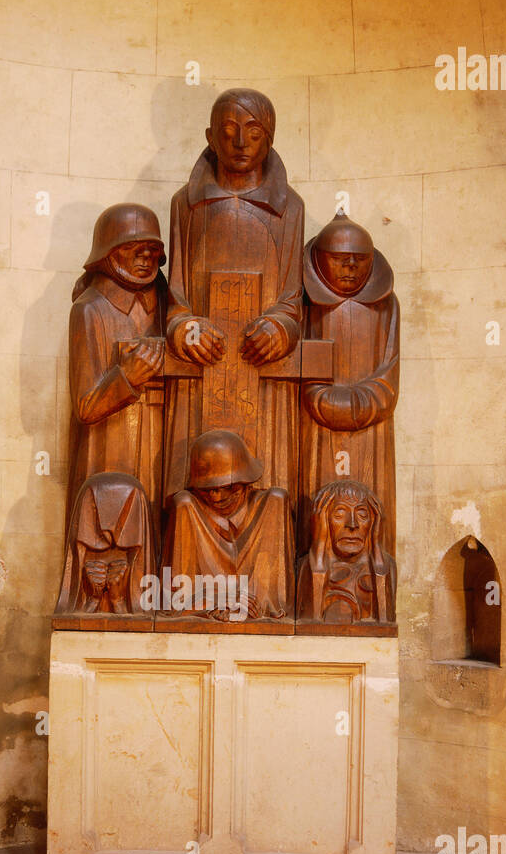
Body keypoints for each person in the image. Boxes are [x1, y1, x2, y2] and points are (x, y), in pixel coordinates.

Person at [163, 89, 304, 500]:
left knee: (268, 491)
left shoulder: (289, 208)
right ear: (210, 137)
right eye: (228, 131)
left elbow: (292, 300)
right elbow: (176, 300)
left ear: (270, 138)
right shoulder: (186, 206)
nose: (240, 143)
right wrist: (186, 329)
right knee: (190, 496)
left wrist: (280, 327)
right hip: (200, 372)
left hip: (264, 376)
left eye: (254, 132)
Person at [300, 213, 399, 555]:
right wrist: (317, 398)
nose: (351, 269)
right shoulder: (304, 304)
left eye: (359, 261)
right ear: (319, 259)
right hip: (313, 427)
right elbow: (296, 364)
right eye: (341, 261)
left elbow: (389, 370)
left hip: (371, 428)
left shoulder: (385, 305)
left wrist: (354, 403)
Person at [67, 204, 166, 523]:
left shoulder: (167, 307)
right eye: (134, 249)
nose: (145, 259)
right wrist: (125, 377)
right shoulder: (90, 309)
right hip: (109, 444)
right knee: (112, 528)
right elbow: (85, 407)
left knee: (154, 527)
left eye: (152, 250)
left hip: (162, 439)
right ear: (107, 254)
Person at [163, 430, 294, 621]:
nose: (216, 497)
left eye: (226, 487)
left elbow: (279, 595)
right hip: (207, 605)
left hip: (256, 615)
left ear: (245, 481)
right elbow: (176, 598)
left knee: (277, 498)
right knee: (183, 501)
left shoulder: (270, 506)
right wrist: (214, 599)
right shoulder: (188, 507)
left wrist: (256, 603)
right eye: (207, 490)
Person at [55, 472, 155, 615]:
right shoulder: (82, 548)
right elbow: (73, 610)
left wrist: (118, 599)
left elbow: (138, 611)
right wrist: (93, 598)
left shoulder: (136, 553)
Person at [297, 479, 396, 624]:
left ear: (374, 521)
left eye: (362, 515)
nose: (352, 524)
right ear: (323, 520)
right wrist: (320, 542)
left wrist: (376, 543)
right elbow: (313, 619)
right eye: (339, 515)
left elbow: (385, 620)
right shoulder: (306, 566)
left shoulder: (385, 566)